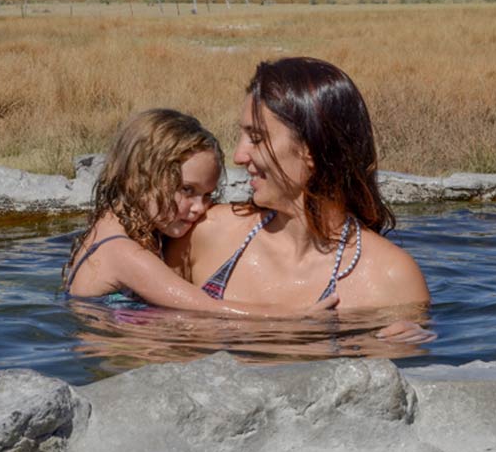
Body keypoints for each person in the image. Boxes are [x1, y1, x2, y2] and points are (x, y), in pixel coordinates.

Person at [166, 57, 431, 313]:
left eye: (256, 138)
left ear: (311, 150)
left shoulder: (391, 280)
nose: (238, 155)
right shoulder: (208, 233)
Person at [64, 108, 338, 317]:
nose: (200, 207)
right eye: (187, 190)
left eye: (207, 194)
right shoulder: (122, 253)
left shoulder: (114, 225)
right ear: (139, 179)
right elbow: (208, 310)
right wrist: (295, 317)